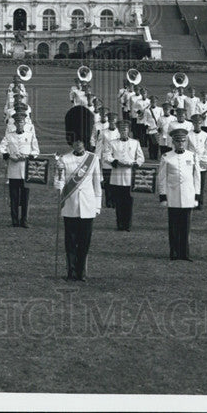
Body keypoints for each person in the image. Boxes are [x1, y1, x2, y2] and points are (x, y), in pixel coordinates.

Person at [56, 105, 102, 281]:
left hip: (88, 206)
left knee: (84, 242)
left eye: (80, 141)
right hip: (70, 205)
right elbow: (58, 184)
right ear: (71, 142)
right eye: (74, 142)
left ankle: (81, 271)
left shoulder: (93, 159)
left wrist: (97, 206)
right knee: (70, 243)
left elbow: (97, 185)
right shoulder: (64, 159)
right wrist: (58, 176)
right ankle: (70, 270)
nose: (77, 144)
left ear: (84, 141)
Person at [157, 127, 200, 260]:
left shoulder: (192, 156)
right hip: (173, 195)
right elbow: (162, 178)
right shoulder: (167, 157)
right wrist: (163, 196)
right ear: (173, 142)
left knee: (186, 226)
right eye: (178, 141)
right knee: (174, 226)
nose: (180, 143)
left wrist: (196, 195)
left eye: (182, 141)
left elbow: (196, 177)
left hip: (188, 195)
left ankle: (184, 253)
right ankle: (174, 252)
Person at [0, 112, 40, 227]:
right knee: (14, 197)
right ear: (14, 123)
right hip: (13, 170)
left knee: (25, 197)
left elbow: (36, 151)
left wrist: (28, 156)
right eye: (18, 122)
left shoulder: (30, 135)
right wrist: (9, 156)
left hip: (26, 170)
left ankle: (24, 220)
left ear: (25, 123)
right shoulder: (9, 136)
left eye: (22, 122)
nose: (20, 124)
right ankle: (14, 220)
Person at [103, 119, 143, 231]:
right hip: (117, 176)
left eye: (125, 129)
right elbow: (106, 156)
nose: (123, 131)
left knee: (128, 202)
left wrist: (135, 164)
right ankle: (120, 224)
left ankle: (128, 225)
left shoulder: (135, 143)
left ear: (129, 130)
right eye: (121, 129)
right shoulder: (112, 143)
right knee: (119, 202)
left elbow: (141, 157)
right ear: (119, 131)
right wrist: (115, 161)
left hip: (130, 176)